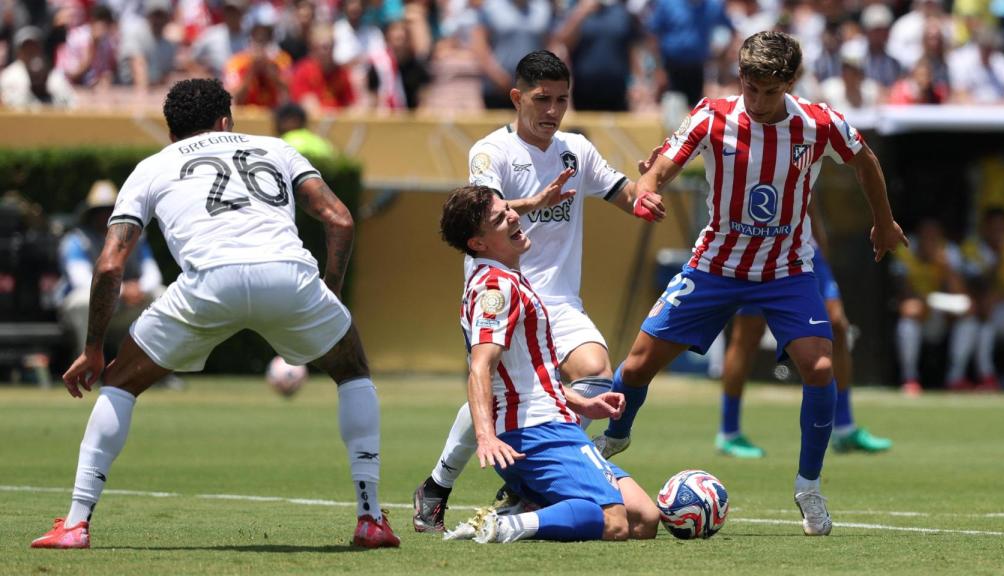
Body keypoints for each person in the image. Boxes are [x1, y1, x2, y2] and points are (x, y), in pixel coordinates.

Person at [29, 78, 399, 550]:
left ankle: (77, 524)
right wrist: (326, 296)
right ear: (226, 120)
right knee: (353, 373)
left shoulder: (152, 166)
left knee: (120, 383)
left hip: (208, 282)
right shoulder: (276, 149)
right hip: (287, 274)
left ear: (171, 133)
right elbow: (340, 219)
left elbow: (109, 265)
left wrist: (94, 348)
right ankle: (370, 518)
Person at [591, 31, 907, 537]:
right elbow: (664, 165)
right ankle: (613, 440)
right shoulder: (712, 115)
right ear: (740, 77)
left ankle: (808, 487)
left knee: (820, 364)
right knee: (636, 364)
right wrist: (647, 190)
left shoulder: (818, 123)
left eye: (770, 91)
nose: (758, 101)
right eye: (751, 88)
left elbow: (865, 160)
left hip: (786, 271)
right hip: (715, 266)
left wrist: (884, 222)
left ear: (790, 84)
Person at [411, 49, 665, 533]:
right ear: (516, 97)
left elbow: (626, 196)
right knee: (509, 391)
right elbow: (483, 212)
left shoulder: (577, 150)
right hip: (502, 289)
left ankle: (528, 478)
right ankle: (439, 486)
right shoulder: (490, 152)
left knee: (594, 374)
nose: (551, 110)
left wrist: (651, 187)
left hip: (559, 297)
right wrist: (537, 201)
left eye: (561, 100)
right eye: (541, 99)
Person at [437, 185, 661, 543]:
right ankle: (503, 525)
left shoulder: (509, 278)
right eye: (499, 218)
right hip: (536, 431)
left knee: (644, 519)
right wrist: (485, 436)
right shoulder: (495, 287)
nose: (513, 216)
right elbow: (482, 366)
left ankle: (528, 507)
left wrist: (582, 402)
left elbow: (529, 374)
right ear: (478, 243)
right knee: (615, 523)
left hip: (551, 422)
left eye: (507, 209)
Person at [715, 203, 892, 459]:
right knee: (748, 335)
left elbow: (810, 196)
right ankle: (729, 432)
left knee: (838, 326)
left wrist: (820, 242)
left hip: (804, 249)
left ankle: (843, 428)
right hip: (758, 249)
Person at [55, 180, 164, 358]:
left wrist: (139, 289)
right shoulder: (75, 241)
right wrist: (122, 290)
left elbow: (153, 274)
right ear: (91, 214)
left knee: (162, 295)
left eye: (111, 210)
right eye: (100, 211)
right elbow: (81, 281)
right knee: (83, 300)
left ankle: (155, 368)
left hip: (123, 306)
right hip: (85, 312)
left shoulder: (137, 238)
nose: (106, 215)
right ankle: (86, 365)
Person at [891, 219, 974, 392]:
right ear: (918, 237)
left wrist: (946, 269)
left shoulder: (949, 252)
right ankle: (910, 378)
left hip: (942, 315)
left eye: (934, 238)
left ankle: (955, 378)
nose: (930, 241)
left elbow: (964, 298)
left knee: (969, 318)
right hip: (920, 313)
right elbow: (903, 297)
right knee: (907, 320)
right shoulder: (905, 250)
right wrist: (921, 302)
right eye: (926, 237)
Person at [961, 206, 1004, 391]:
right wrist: (998, 257)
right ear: (984, 229)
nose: (998, 233)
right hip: (986, 315)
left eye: (1002, 228)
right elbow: (981, 289)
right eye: (993, 228)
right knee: (985, 312)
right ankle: (986, 376)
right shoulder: (973, 250)